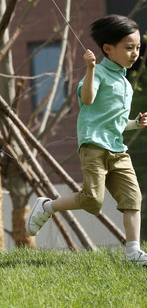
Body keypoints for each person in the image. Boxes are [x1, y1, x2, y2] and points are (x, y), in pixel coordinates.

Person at [26, 15, 146, 266]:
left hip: (117, 149)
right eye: (128, 47)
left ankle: (133, 252)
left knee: (132, 198)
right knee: (93, 199)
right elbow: (88, 99)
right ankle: (47, 206)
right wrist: (90, 69)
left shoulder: (124, 82)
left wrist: (135, 123)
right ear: (108, 49)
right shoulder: (99, 73)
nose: (135, 53)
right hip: (94, 146)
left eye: (137, 47)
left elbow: (113, 123)